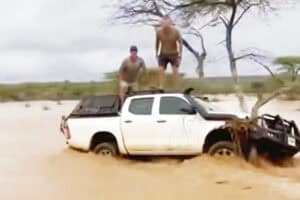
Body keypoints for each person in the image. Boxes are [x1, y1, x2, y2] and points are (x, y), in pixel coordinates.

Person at [155, 16, 183, 90]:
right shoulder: (159, 32)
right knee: (161, 69)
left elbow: (180, 44)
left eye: (166, 23)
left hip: (173, 54)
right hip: (163, 54)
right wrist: (156, 54)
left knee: (175, 71)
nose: (164, 25)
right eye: (162, 23)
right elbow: (157, 43)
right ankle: (161, 86)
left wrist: (180, 56)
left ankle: (176, 87)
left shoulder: (176, 31)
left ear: (170, 23)